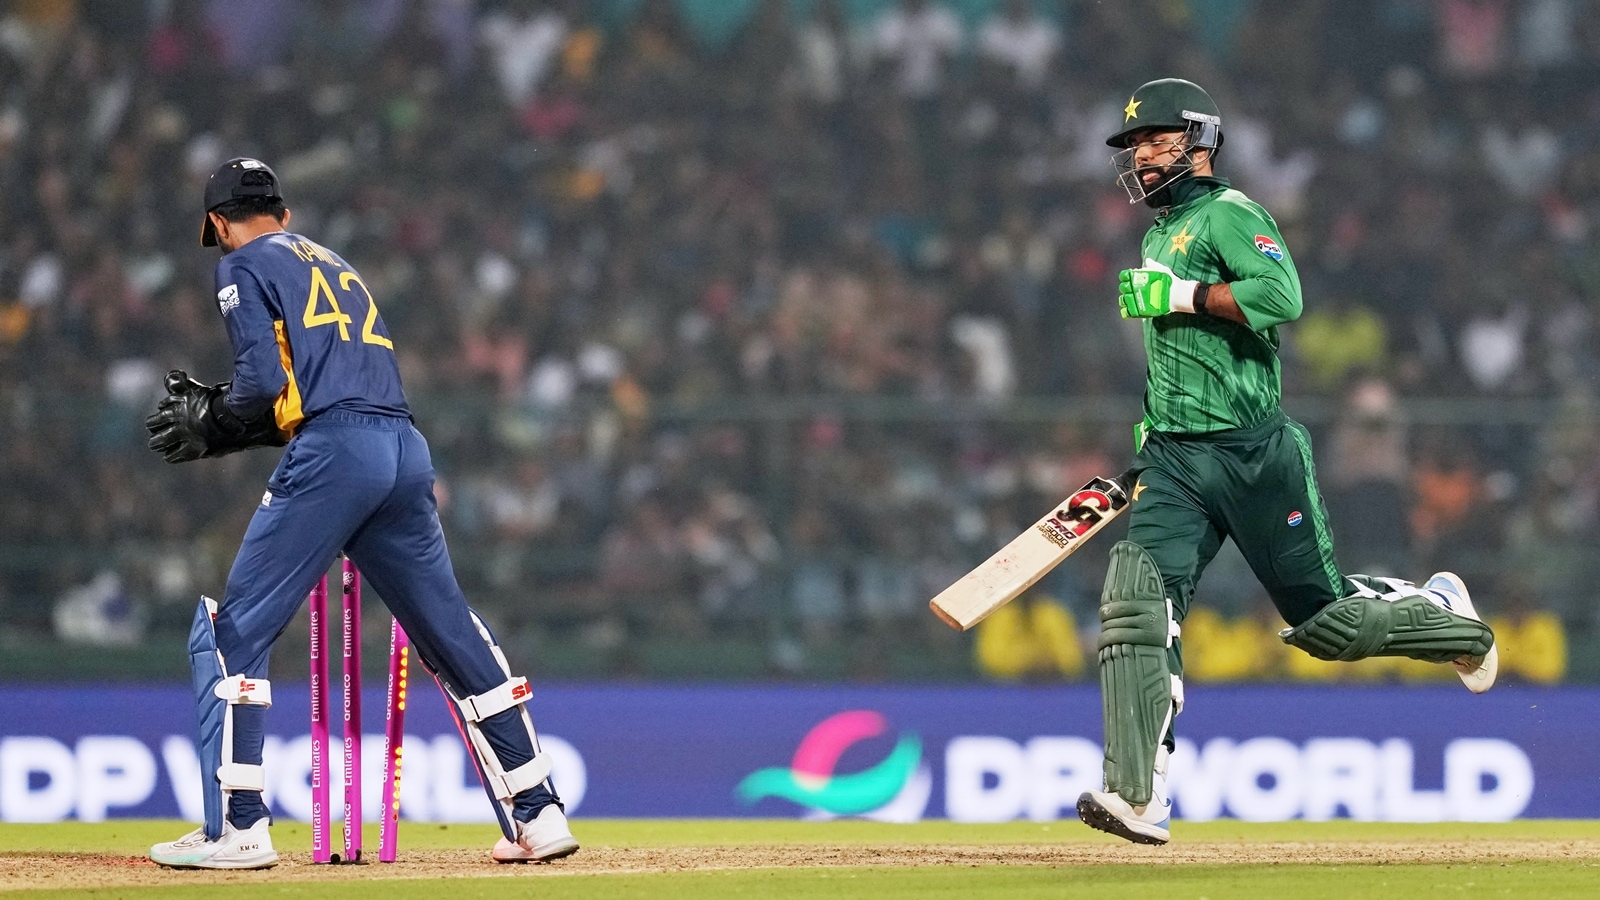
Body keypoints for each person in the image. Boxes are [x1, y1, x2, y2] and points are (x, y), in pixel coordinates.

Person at [1074, 79, 1499, 846]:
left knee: (1326, 623)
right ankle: (1137, 794)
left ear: (1199, 143)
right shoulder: (1155, 233)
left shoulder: (1232, 214)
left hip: (1254, 455)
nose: (1141, 157)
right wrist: (1151, 434)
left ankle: (1445, 619)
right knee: (1137, 600)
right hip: (1176, 457)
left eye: (1157, 141)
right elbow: (1176, 359)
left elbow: (1282, 294)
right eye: (1135, 145)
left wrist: (1184, 294)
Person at [144, 158, 578, 868]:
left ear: (219, 223)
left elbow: (260, 385)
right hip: (404, 451)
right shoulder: (338, 264)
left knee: (233, 633)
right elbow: (326, 387)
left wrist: (218, 421)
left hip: (336, 453)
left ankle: (238, 829)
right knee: (450, 633)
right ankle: (539, 812)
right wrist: (242, 423)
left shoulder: (241, 264)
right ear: (283, 213)